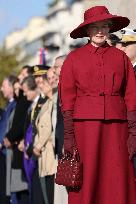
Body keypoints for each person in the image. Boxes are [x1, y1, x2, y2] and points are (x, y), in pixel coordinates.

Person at [58, 6, 136, 204]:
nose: (100, 31)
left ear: (110, 28)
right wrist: (69, 137)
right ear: (87, 30)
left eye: (104, 26)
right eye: (95, 27)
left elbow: (131, 96)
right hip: (85, 130)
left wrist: (133, 133)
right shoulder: (73, 60)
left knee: (117, 180)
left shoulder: (121, 58)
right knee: (88, 179)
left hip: (117, 130)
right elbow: (67, 100)